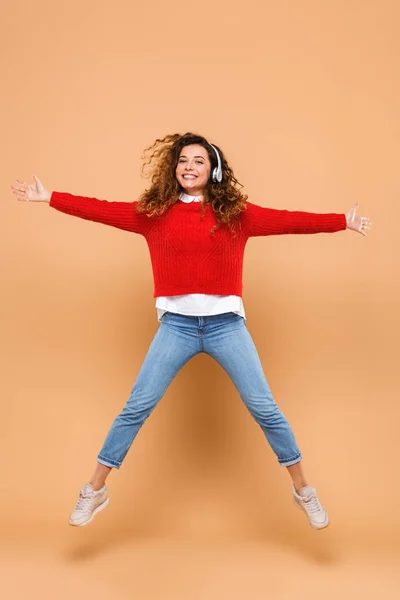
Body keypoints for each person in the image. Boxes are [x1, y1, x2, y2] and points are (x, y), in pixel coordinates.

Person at [11, 132, 371, 530]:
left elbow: (289, 221)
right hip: (177, 328)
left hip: (226, 326)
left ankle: (304, 491)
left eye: (198, 161)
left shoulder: (237, 214)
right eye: (183, 160)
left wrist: (343, 222)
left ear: (212, 169)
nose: (189, 167)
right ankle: (94, 490)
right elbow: (102, 210)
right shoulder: (154, 215)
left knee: (265, 409)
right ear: (174, 168)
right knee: (136, 407)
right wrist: (51, 198)